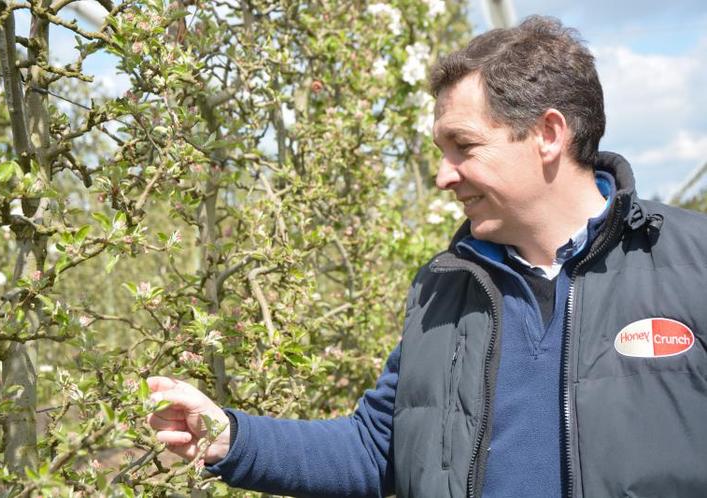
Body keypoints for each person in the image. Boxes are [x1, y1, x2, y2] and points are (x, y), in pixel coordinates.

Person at [147, 15, 707, 498]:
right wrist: (230, 439)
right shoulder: (445, 289)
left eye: (463, 146)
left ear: (548, 133)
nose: (442, 176)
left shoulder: (691, 263)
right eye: (440, 151)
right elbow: (374, 449)